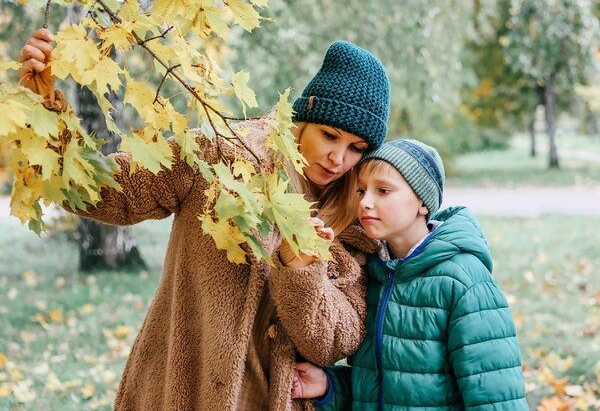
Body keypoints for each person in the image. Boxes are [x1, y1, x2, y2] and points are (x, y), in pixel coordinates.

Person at [18, 29, 390, 411]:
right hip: (179, 390)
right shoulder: (219, 155)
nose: (338, 159)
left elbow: (333, 342)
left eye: (356, 149)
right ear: (303, 121)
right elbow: (105, 192)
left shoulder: (354, 224)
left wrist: (301, 270)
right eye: (330, 136)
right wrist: (43, 106)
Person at [292, 139, 529, 411]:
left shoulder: (463, 281)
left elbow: (496, 398)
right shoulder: (374, 273)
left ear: (422, 202)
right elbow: (383, 387)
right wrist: (329, 385)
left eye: (383, 190)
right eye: (361, 190)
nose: (365, 202)